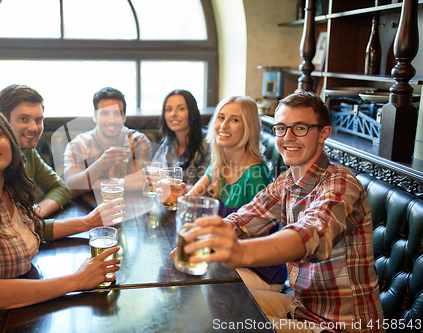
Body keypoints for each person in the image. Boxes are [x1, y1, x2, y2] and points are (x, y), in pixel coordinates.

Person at [182, 91, 383, 332]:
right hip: (301, 307)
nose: (288, 137)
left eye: (300, 128)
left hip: (342, 325)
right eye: (281, 128)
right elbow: (244, 218)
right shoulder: (287, 181)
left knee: (232, 323)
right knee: (221, 301)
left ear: (323, 133)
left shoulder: (341, 183)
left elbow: (309, 235)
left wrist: (238, 252)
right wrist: (199, 237)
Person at [0, 106, 122, 332]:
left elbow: (34, 228)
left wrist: (88, 222)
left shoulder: (10, 190)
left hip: (19, 316)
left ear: (10, 142)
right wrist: (78, 279)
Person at [188, 96, 286, 292]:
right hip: (229, 260)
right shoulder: (219, 164)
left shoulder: (256, 175)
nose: (223, 125)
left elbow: (256, 245)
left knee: (198, 282)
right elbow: (189, 200)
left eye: (234, 120)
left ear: (249, 128)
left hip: (261, 272)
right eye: (221, 117)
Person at [0, 84, 69, 220]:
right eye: (24, 119)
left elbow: (61, 188)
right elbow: (8, 229)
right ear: (1, 120)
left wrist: (37, 212)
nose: (34, 128)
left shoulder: (28, 152)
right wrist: (85, 223)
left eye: (38, 120)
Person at [63, 87, 151, 197]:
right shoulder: (78, 145)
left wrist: (92, 184)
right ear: (95, 116)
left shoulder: (137, 141)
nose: (112, 120)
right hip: (88, 207)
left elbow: (143, 181)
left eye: (117, 114)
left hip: (131, 206)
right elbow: (71, 187)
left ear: (124, 117)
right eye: (105, 113)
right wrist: (100, 164)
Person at [152, 89, 210, 187]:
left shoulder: (208, 143)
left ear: (192, 113)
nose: (173, 114)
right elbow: (153, 172)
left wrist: (178, 187)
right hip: (169, 200)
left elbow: (209, 187)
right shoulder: (168, 142)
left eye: (181, 109)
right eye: (168, 109)